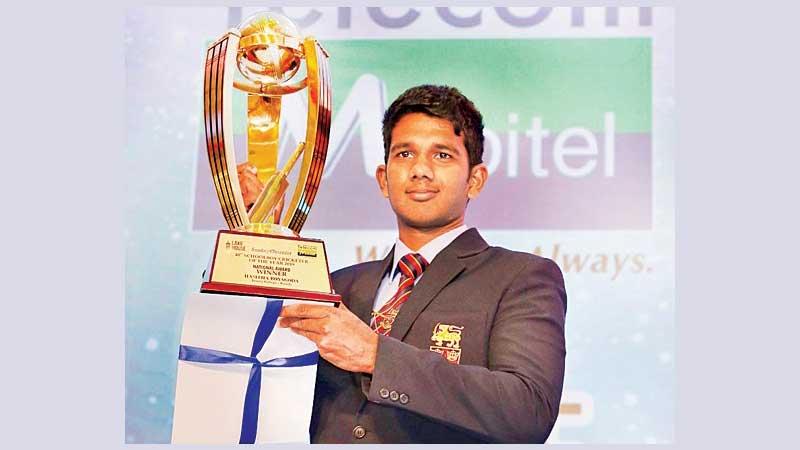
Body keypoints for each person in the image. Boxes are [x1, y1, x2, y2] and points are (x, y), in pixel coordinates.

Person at [277, 85, 567, 443]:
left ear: (474, 180)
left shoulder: (520, 278)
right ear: (384, 179)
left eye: (442, 155)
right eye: (404, 154)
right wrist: (258, 238)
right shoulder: (335, 287)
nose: (420, 170)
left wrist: (377, 355)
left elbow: (528, 411)